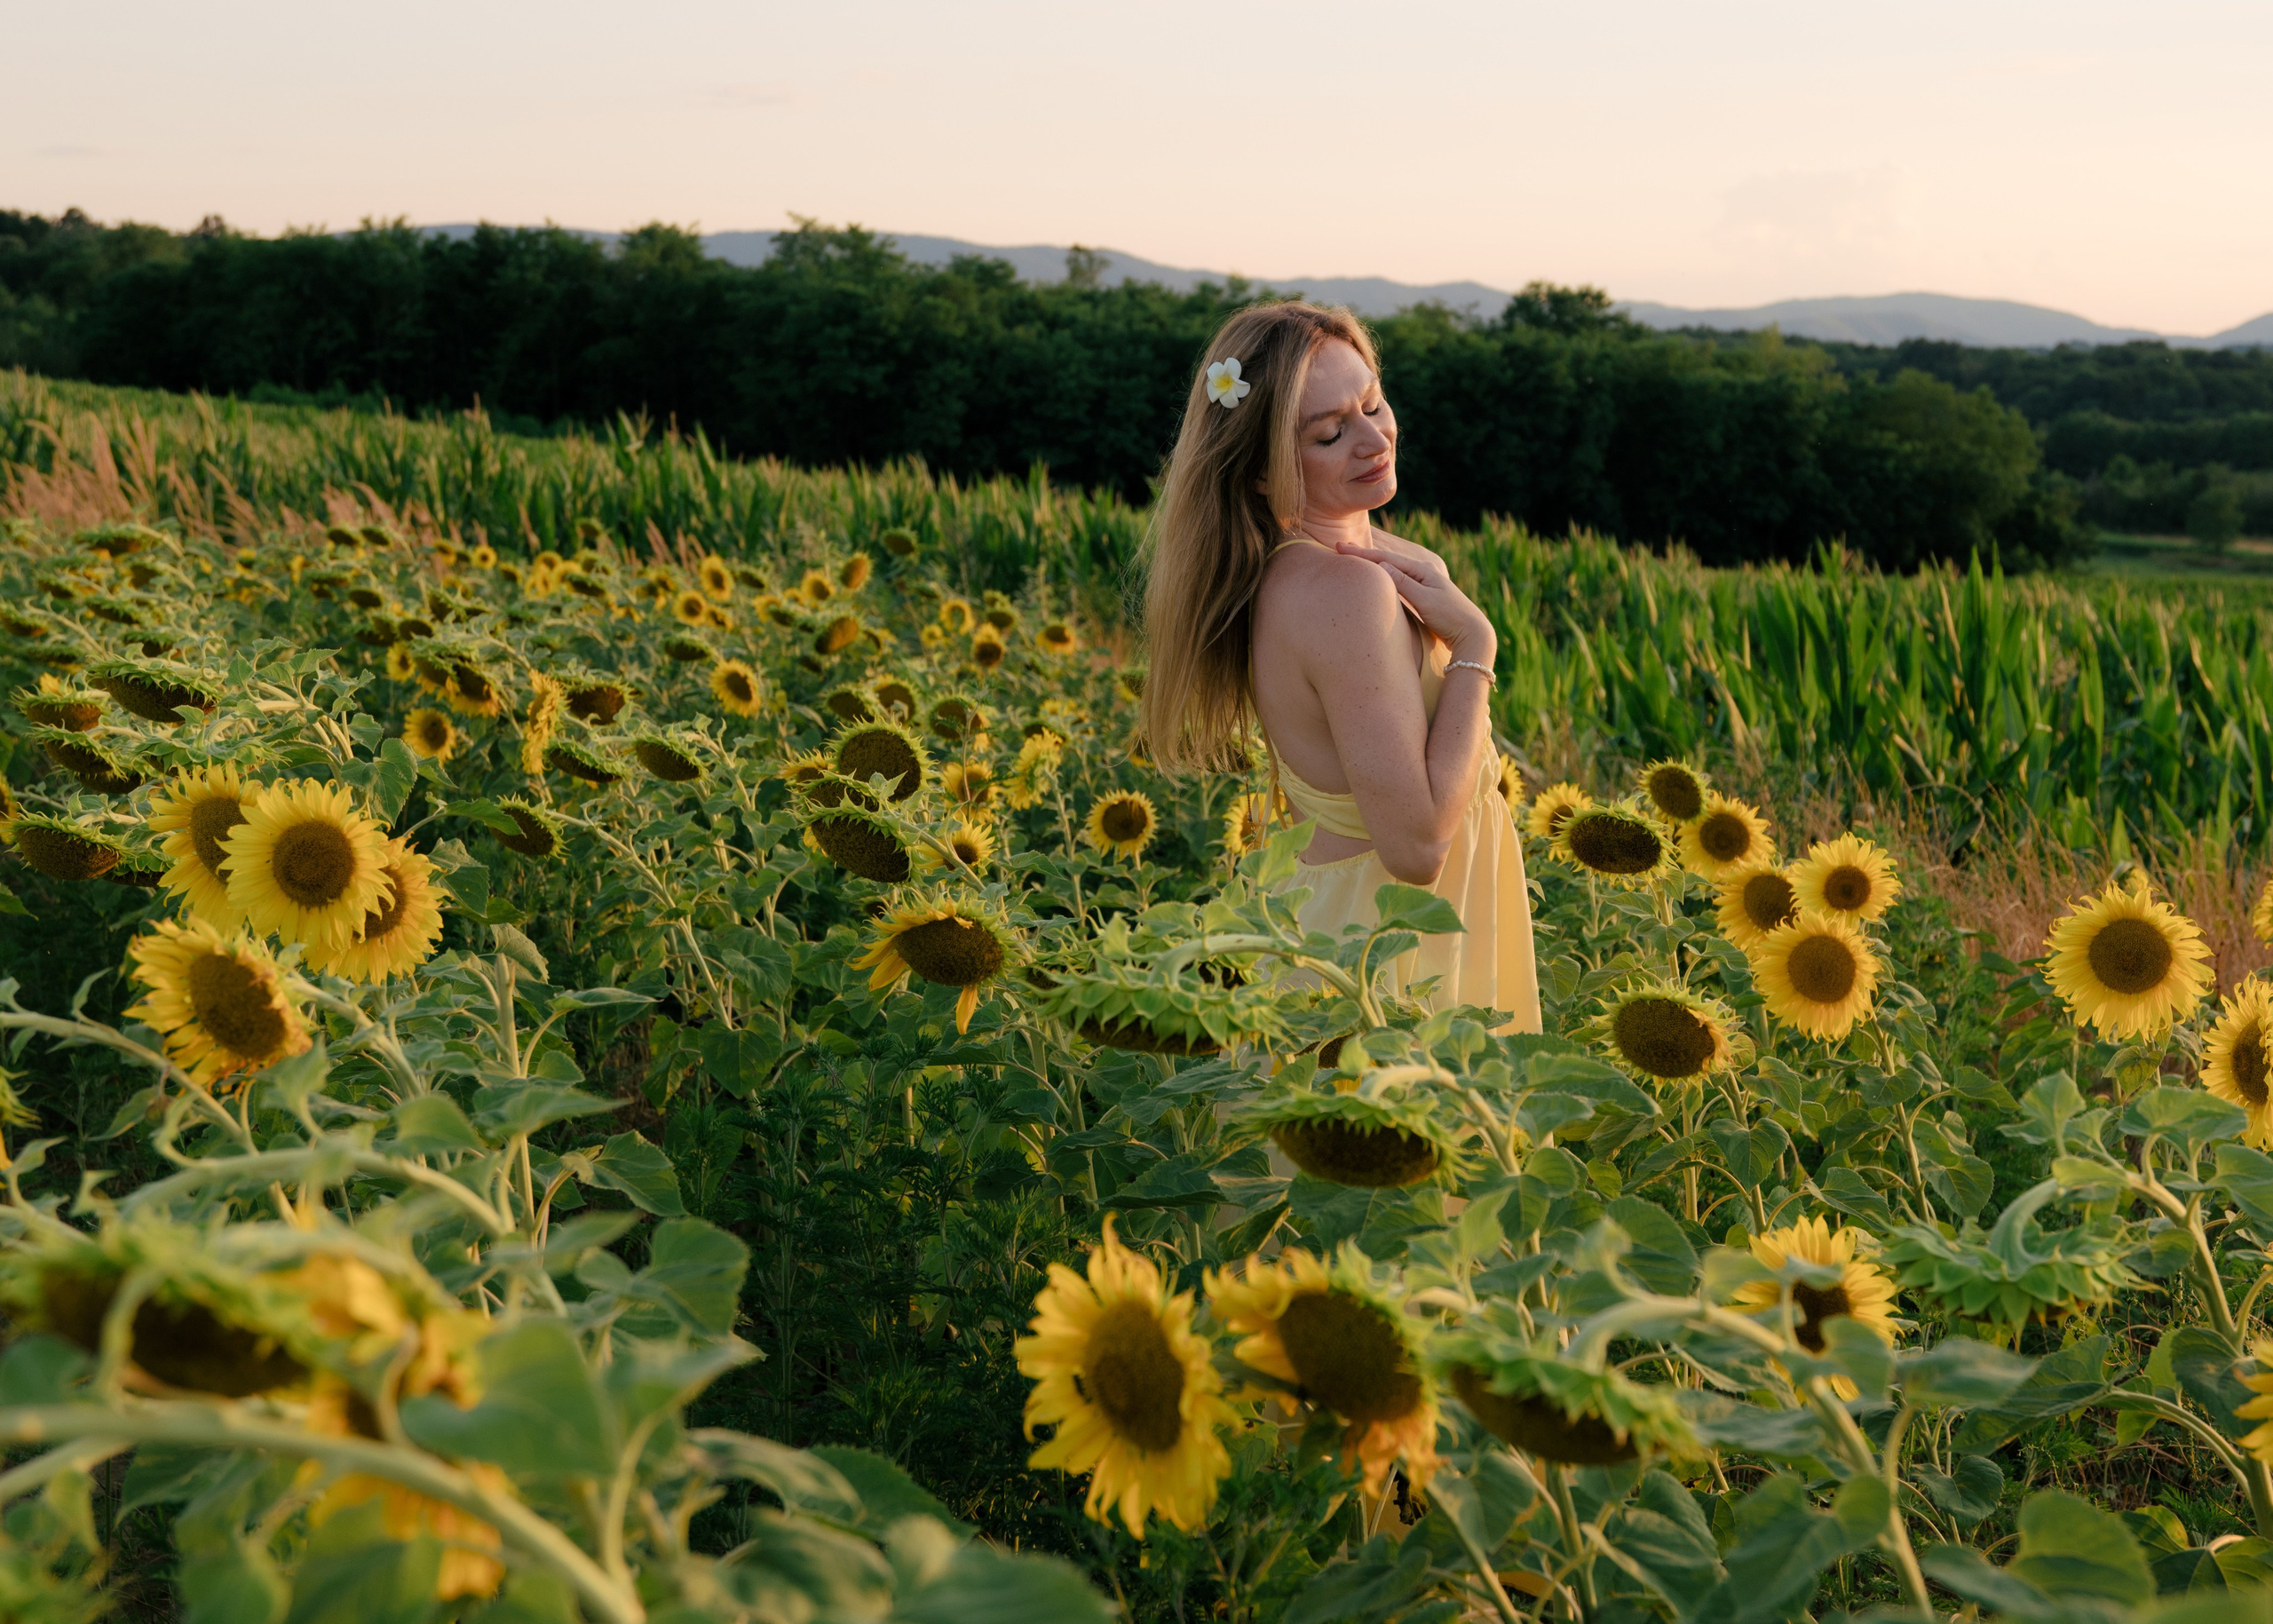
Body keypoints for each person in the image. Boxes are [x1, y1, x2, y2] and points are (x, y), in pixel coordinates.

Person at [1140, 300, 1540, 1033]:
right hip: (1383, 956)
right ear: (1261, 473)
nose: (1373, 439)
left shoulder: (1386, 563)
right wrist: (1477, 646)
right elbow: (1417, 845)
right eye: (1329, 433)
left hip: (1377, 931)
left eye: (1373, 404)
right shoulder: (1344, 592)